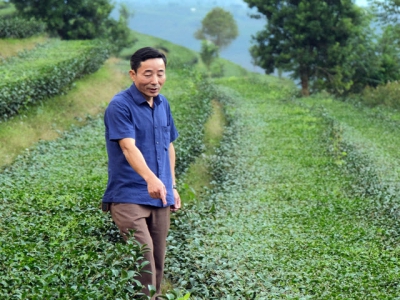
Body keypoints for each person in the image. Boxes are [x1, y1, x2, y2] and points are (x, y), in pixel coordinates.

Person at [102, 47, 181, 298]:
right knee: (143, 261)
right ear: (133, 74)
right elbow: (128, 147)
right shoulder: (120, 106)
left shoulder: (162, 104)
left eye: (160, 74)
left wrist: (172, 186)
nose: (155, 81)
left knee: (158, 262)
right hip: (128, 195)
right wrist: (151, 178)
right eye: (148, 74)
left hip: (159, 195)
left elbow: (169, 145)